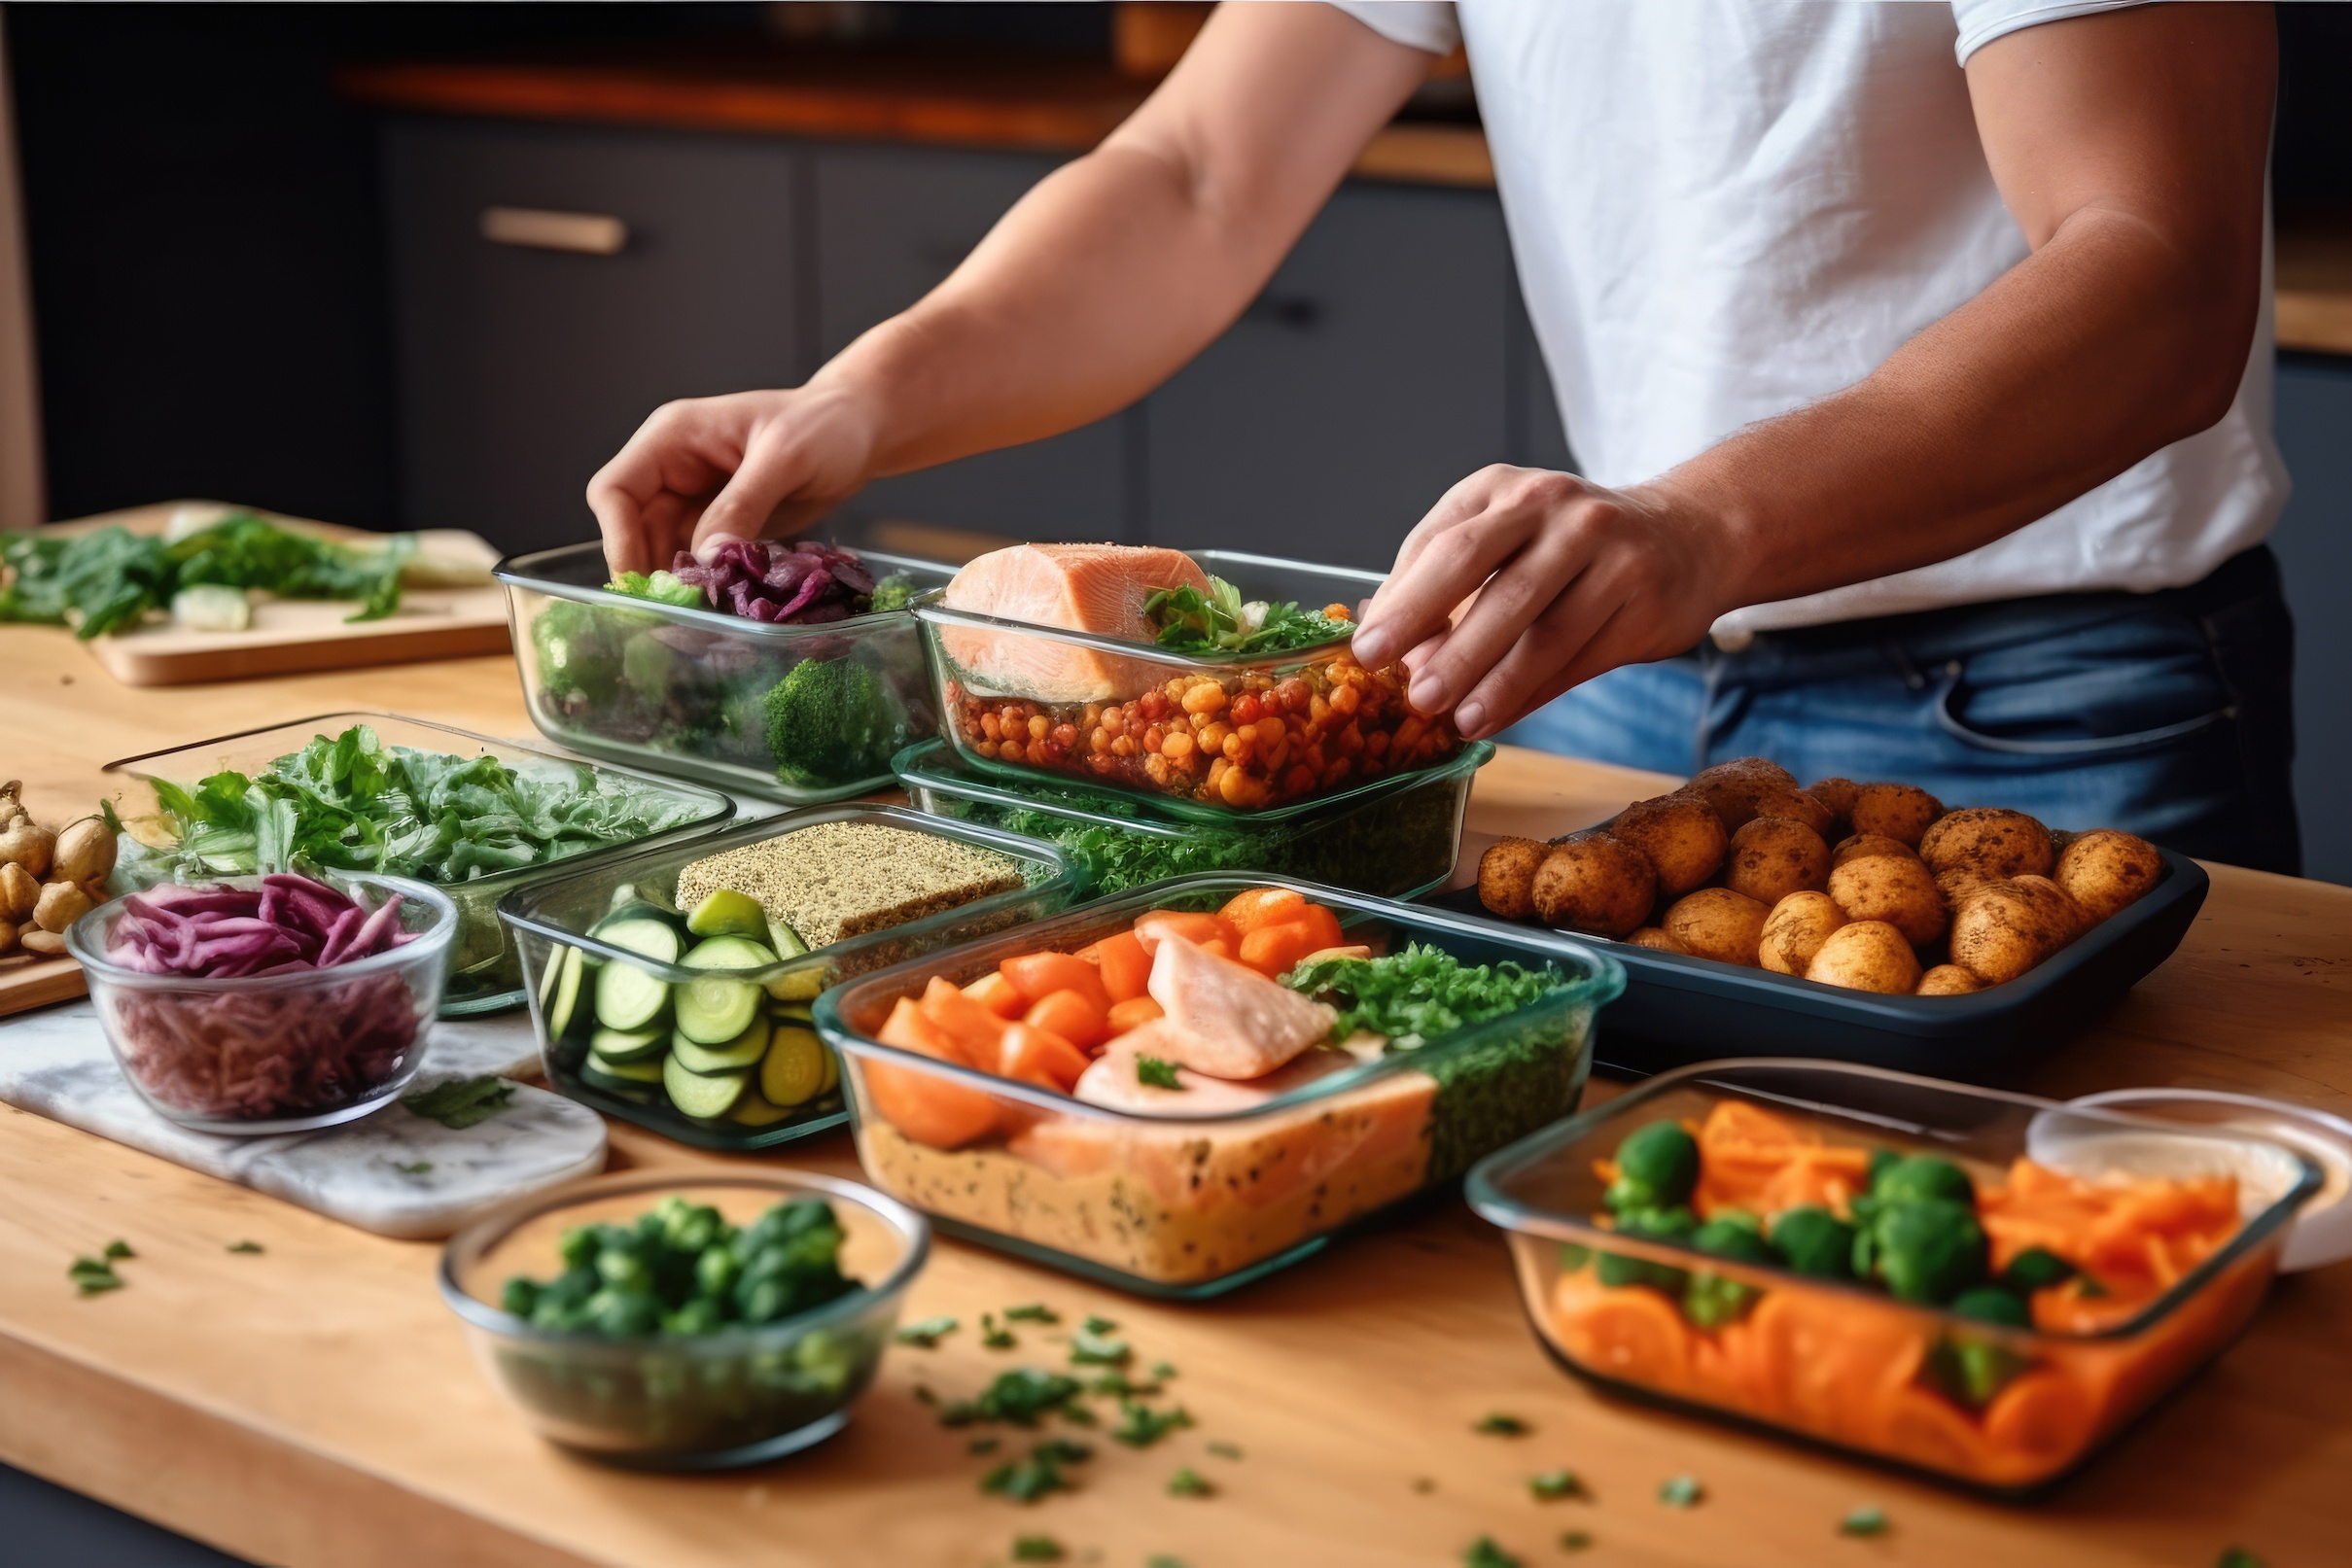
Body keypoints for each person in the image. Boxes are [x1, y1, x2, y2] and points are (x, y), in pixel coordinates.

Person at [588, 2, 2295, 870]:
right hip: (1611, 671)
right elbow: (1196, 176)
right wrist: (862, 394)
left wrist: (1701, 524)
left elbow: (2156, 270)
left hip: (2042, 702)